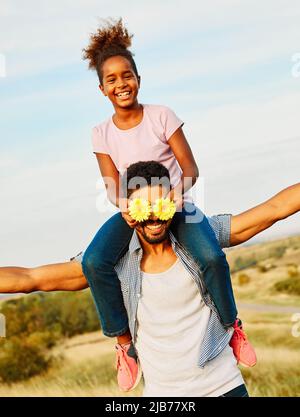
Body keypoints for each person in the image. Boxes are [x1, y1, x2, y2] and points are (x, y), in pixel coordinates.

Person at [0, 162, 299, 396]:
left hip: (224, 387)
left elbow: (272, 210)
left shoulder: (200, 238)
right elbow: (31, 279)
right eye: (143, 208)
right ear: (127, 212)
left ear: (173, 202)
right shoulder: (112, 263)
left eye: (160, 205)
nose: (153, 216)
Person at [80, 18, 249, 390]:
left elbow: (190, 167)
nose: (121, 84)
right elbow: (111, 184)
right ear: (101, 88)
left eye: (127, 76)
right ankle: (125, 345)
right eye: (112, 80)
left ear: (138, 78)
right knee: (94, 261)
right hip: (135, 212)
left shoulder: (161, 115)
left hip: (177, 204)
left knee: (210, 257)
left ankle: (230, 325)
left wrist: (173, 197)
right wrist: (125, 205)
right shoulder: (100, 133)